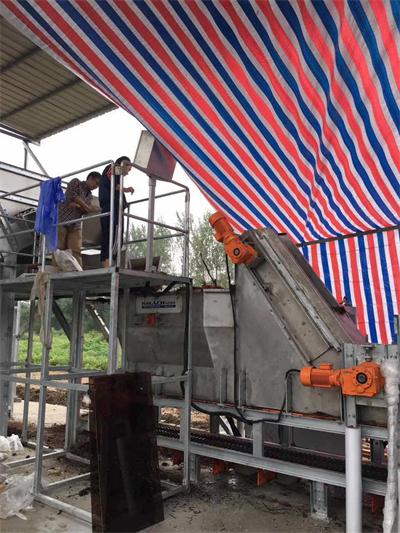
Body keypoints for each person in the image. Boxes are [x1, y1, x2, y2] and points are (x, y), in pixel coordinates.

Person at [56, 171, 101, 266]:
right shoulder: (76, 182)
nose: (96, 186)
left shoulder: (90, 195)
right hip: (62, 220)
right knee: (59, 249)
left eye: (98, 185)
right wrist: (86, 206)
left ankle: (76, 270)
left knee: (76, 250)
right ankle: (56, 270)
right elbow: (74, 196)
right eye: (96, 183)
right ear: (90, 178)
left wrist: (81, 206)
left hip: (76, 224)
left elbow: (84, 209)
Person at [99, 156, 134, 267]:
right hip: (112, 207)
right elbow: (114, 184)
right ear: (123, 165)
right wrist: (126, 189)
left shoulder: (115, 171)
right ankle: (109, 263)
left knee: (110, 236)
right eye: (128, 169)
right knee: (114, 235)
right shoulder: (115, 167)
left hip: (112, 207)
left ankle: (107, 263)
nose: (128, 173)